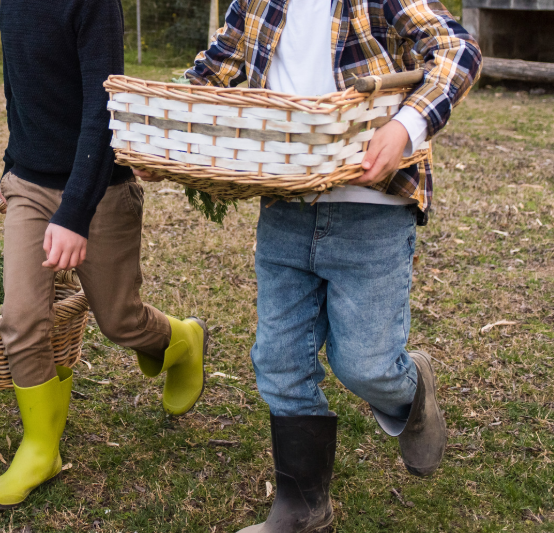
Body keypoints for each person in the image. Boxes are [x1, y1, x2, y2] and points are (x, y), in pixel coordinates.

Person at [135, 0, 481, 530]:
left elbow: (458, 50)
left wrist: (406, 127)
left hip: (373, 209)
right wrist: (165, 133)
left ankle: (412, 390)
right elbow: (212, 73)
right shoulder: (256, 4)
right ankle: (302, 511)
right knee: (279, 362)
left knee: (364, 364)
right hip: (286, 207)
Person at [0, 0, 209, 511]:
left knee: (119, 322)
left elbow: (105, 108)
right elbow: (21, 90)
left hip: (100, 191)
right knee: (20, 319)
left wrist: (75, 212)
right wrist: (15, 169)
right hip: (30, 187)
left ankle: (183, 339)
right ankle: (41, 450)